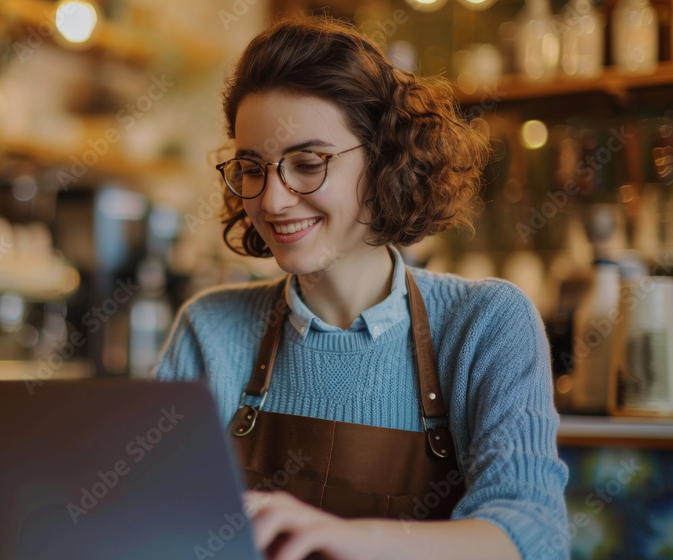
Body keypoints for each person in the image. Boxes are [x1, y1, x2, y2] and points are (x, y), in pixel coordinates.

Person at [151, 15, 569, 560]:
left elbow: (533, 535)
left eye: (307, 164)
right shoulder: (209, 327)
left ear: (384, 161)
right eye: (253, 168)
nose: (273, 201)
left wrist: (354, 539)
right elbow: (152, 524)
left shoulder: (486, 323)